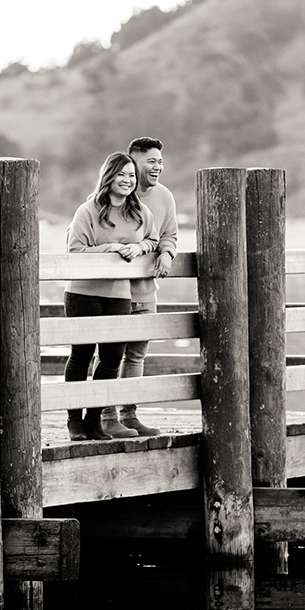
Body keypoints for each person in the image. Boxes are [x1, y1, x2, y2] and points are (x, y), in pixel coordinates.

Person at [64, 152, 158, 441]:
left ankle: (95, 420)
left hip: (120, 295)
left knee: (111, 358)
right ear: (109, 176)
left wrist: (140, 247)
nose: (128, 181)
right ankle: (74, 421)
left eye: (132, 175)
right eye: (122, 175)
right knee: (81, 355)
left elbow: (153, 238)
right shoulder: (88, 210)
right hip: (84, 293)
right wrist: (112, 249)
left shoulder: (139, 212)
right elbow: (75, 251)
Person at [100, 137, 178, 438]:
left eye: (160, 161)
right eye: (151, 161)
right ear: (132, 161)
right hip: (113, 290)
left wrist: (167, 253)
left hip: (146, 288)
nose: (158, 166)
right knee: (110, 354)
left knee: (136, 355)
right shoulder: (113, 196)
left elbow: (168, 235)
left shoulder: (164, 197)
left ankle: (129, 415)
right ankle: (107, 415)